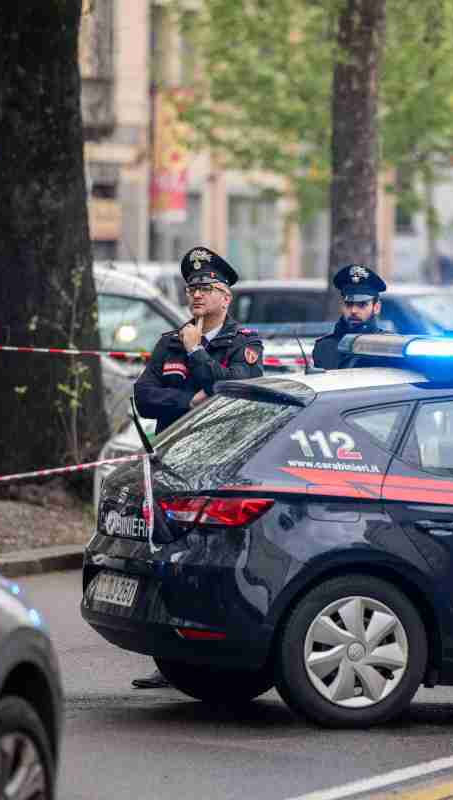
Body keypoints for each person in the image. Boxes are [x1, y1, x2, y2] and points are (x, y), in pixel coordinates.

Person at [130, 245, 263, 689]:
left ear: (226, 297)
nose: (197, 296)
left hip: (219, 467)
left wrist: (200, 354)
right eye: (192, 289)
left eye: (207, 288)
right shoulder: (171, 341)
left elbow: (238, 392)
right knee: (162, 559)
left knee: (207, 561)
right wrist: (187, 400)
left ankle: (210, 655)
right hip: (171, 462)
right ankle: (167, 657)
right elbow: (145, 397)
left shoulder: (243, 344)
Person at [312, 263, 388, 370]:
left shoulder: (388, 346)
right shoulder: (324, 347)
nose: (353, 311)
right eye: (348, 304)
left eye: (362, 304)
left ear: (376, 307)